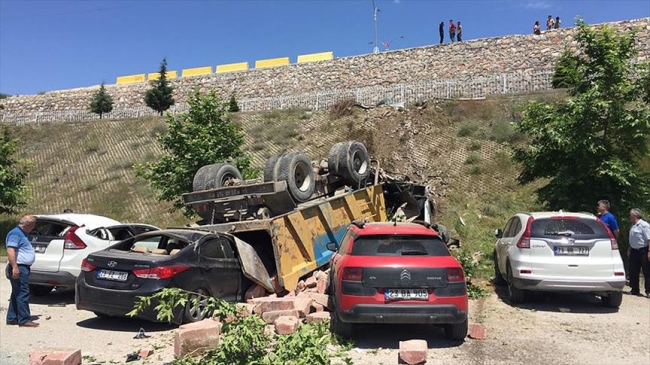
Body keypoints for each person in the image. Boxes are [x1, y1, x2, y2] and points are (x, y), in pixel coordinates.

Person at [5, 215, 38, 327]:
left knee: (17, 293)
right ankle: (24, 319)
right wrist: (15, 267)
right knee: (23, 292)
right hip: (19, 267)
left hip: (22, 267)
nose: (33, 228)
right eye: (33, 225)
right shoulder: (15, 233)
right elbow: (10, 250)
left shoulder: (22, 233)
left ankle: (12, 317)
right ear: (27, 225)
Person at [627, 208, 650, 297]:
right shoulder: (633, 226)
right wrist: (629, 248)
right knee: (633, 271)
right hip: (634, 250)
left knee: (646, 271)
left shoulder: (644, 225)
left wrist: (649, 251)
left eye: (630, 215)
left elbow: (649, 239)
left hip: (643, 250)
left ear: (635, 216)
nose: (629, 217)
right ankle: (634, 289)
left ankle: (648, 291)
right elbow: (633, 238)